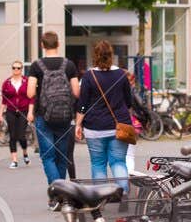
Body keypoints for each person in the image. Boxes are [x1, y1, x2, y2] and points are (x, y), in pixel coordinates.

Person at [74, 41, 148, 192]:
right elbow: (128, 101)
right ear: (111, 55)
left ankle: (101, 196)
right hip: (119, 126)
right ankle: (123, 193)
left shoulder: (89, 76)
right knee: (118, 162)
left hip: (94, 128)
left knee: (98, 164)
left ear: (95, 56)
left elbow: (82, 104)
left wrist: (78, 124)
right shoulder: (121, 75)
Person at [26, 30, 80, 190]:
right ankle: (62, 192)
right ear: (58, 44)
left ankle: (57, 191)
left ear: (42, 45)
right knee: (62, 156)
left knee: (48, 156)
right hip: (64, 116)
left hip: (43, 116)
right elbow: (76, 92)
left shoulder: (36, 65)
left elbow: (30, 93)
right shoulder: (69, 65)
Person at [0, 60, 31, 169]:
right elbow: (4, 100)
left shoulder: (26, 81)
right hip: (11, 111)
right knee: (12, 135)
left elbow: (31, 98)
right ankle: (14, 160)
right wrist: (0, 114)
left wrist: (30, 112)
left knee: (21, 136)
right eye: (14, 68)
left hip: (23, 110)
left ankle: (25, 153)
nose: (16, 70)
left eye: (18, 68)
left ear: (21, 69)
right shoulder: (7, 83)